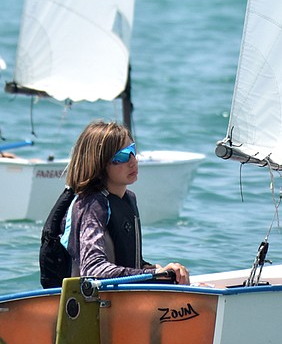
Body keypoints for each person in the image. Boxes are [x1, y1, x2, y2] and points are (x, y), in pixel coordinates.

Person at [60, 119, 189, 283]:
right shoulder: (92, 206)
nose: (133, 161)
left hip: (122, 297)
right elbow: (92, 269)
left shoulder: (128, 199)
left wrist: (159, 271)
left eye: (132, 151)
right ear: (99, 163)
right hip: (88, 302)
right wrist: (151, 275)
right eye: (121, 156)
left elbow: (129, 263)